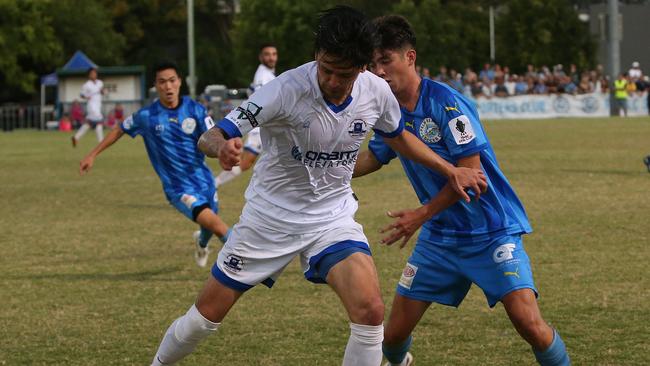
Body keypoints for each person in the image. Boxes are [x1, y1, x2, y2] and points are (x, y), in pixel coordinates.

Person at [149, 6, 486, 366]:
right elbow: (211, 135)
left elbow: (397, 136)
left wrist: (448, 169)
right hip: (270, 220)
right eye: (326, 69)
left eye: (344, 74)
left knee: (370, 311)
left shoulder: (375, 91)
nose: (332, 81)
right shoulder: (282, 90)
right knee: (202, 320)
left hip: (331, 217)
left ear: (362, 67)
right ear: (316, 57)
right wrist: (223, 148)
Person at [356, 15, 570, 366]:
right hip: (440, 239)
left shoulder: (446, 104)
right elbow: (374, 157)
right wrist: (329, 165)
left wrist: (420, 215)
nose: (378, 71)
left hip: (490, 232)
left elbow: (472, 177)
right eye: (373, 63)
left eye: (385, 61)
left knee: (529, 323)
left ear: (409, 58)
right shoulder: (388, 111)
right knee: (392, 336)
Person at [79, 62, 231, 267]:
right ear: (155, 86)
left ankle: (201, 243)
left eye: (171, 81)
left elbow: (213, 136)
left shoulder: (195, 110)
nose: (168, 87)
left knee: (210, 224)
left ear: (179, 82)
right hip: (178, 188)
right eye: (162, 82)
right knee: (219, 226)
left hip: (204, 180)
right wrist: (92, 154)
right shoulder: (146, 116)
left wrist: (222, 150)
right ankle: (249, 262)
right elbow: (119, 129)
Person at [215, 44, 278, 187]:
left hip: (264, 126)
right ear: (261, 57)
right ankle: (212, 185)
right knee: (245, 162)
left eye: (274, 54)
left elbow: (252, 91)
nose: (271, 57)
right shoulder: (263, 75)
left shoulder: (266, 74)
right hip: (261, 126)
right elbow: (262, 100)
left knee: (255, 162)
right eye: (267, 54)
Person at [72, 68, 105, 147]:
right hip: (91, 105)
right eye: (92, 73)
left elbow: (102, 92)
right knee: (99, 122)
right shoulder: (86, 85)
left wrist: (103, 92)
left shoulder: (100, 83)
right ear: (89, 75)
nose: (93, 75)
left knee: (89, 123)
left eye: (95, 73)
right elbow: (81, 94)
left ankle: (76, 137)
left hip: (98, 104)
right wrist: (86, 97)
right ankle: (101, 142)